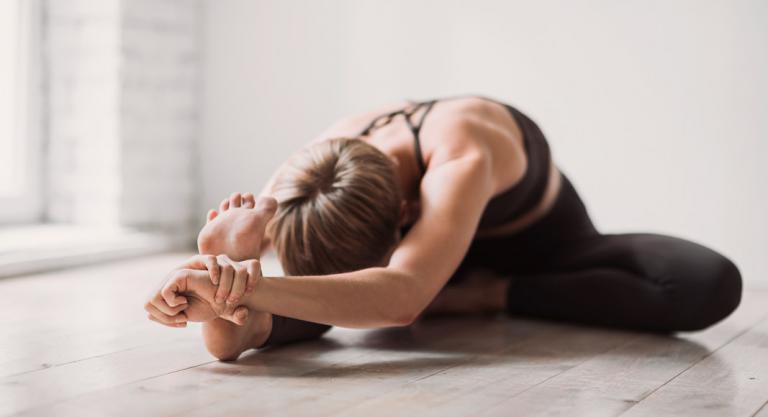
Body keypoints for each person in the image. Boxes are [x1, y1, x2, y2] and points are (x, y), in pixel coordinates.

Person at [144, 95, 742, 361]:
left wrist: (250, 285)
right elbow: (317, 256)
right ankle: (233, 328)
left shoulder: (463, 150)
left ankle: (481, 295)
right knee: (273, 309)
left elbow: (401, 300)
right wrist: (222, 273)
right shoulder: (317, 165)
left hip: (544, 254)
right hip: (397, 266)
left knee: (708, 283)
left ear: (407, 217)